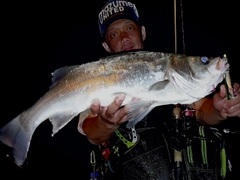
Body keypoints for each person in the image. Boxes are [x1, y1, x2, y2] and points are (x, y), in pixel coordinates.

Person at [78, 0, 240, 179]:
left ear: (143, 32)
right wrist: (105, 123)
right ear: (106, 46)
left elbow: (202, 108)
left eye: (130, 28)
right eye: (114, 34)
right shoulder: (96, 81)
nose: (124, 37)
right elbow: (92, 133)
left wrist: (219, 110)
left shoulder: (169, 68)